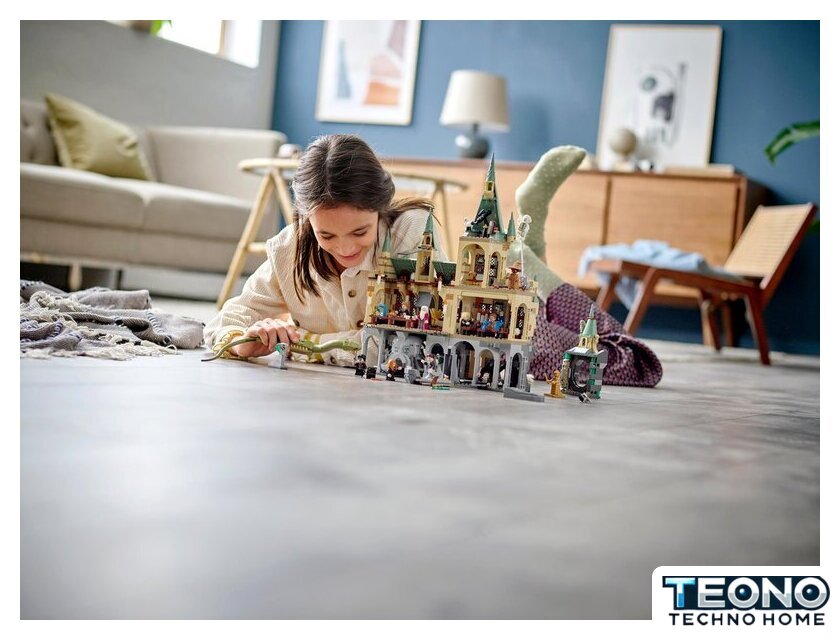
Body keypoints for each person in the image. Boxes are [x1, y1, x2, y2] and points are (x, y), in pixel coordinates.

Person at [205, 134, 446, 365]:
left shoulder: (413, 230)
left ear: (380, 207)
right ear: (306, 217)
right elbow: (226, 320)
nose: (345, 248)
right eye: (326, 235)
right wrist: (242, 343)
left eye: (360, 232)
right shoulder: (291, 246)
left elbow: (408, 341)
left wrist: (304, 343)